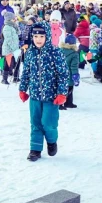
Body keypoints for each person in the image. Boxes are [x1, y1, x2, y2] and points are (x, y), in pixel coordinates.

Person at [19, 22, 69, 162]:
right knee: (35, 123)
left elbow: (63, 74)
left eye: (41, 36)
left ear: (47, 36)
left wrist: (62, 93)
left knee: (48, 123)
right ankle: (35, 149)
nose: (38, 39)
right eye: (35, 36)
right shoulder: (29, 52)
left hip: (51, 96)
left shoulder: (55, 52)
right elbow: (26, 72)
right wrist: (22, 89)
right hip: (35, 95)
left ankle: (52, 141)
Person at [59, 34, 80, 110]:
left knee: (61, 89)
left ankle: (65, 103)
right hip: (69, 75)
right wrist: (75, 75)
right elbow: (74, 66)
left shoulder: (60, 51)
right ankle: (64, 103)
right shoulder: (74, 54)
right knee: (69, 89)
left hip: (60, 73)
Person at [0, 11, 21, 85]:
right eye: (13, 19)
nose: (15, 19)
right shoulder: (6, 27)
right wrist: (13, 47)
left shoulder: (13, 26)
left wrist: (17, 27)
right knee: (7, 64)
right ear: (9, 19)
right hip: (8, 49)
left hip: (15, 48)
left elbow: (18, 34)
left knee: (16, 63)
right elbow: (8, 39)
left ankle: (16, 77)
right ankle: (4, 78)